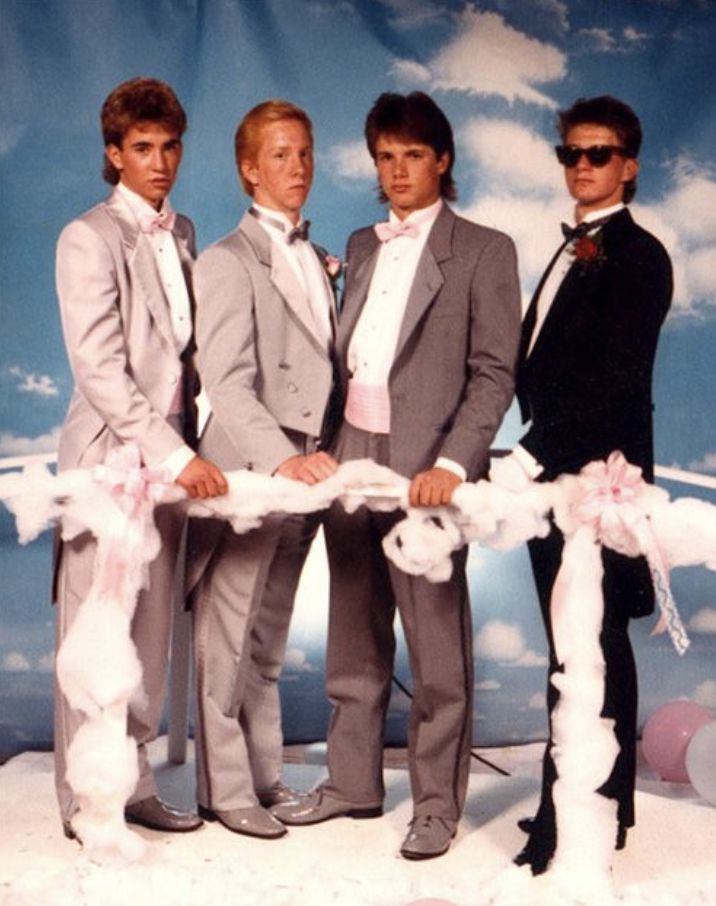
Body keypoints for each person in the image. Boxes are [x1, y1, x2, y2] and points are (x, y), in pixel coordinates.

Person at [273, 91, 521, 860]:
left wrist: (452, 464)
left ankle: (438, 805)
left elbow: (492, 373)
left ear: (441, 161)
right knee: (354, 632)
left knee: (437, 647)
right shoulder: (362, 243)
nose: (398, 170)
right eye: (386, 157)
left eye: (413, 155)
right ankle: (352, 783)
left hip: (429, 468)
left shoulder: (485, 248)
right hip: (352, 454)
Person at [491, 95, 673, 874]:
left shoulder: (640, 256)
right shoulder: (574, 249)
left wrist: (530, 455)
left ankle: (583, 812)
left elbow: (611, 381)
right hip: (557, 480)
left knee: (591, 647)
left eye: (598, 154)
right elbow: (546, 367)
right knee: (579, 646)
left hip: (601, 480)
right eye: (571, 153)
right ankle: (597, 803)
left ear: (629, 166)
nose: (583, 166)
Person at [54, 77, 227, 841]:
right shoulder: (87, 238)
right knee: (97, 637)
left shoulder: (182, 231)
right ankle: (84, 803)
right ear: (114, 153)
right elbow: (100, 371)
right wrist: (173, 453)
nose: (160, 163)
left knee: (149, 634)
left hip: (173, 463)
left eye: (170, 147)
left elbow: (187, 357)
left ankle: (135, 783)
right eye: (143, 148)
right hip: (109, 463)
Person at [187, 100, 340, 840]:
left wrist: (314, 458)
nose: (297, 167)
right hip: (250, 471)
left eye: (305, 153)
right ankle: (223, 789)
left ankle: (265, 773)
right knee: (228, 635)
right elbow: (226, 381)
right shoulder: (224, 259)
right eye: (280, 155)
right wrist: (283, 459)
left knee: (268, 638)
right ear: (251, 169)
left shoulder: (316, 254)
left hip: (306, 472)